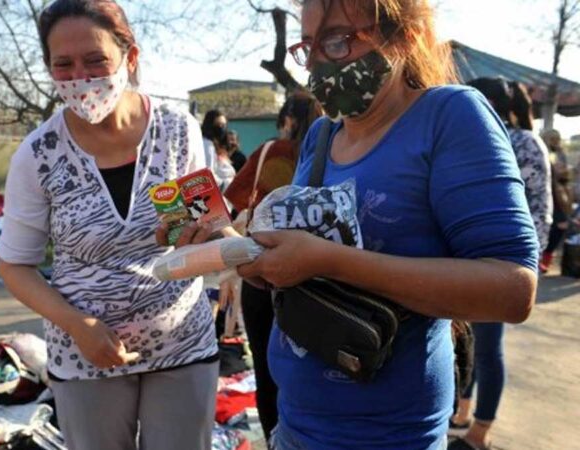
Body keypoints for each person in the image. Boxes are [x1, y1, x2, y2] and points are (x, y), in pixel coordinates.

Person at [169, 1, 539, 448]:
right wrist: (233, 248)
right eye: (308, 48)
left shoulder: (450, 116)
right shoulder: (323, 138)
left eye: (338, 40)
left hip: (390, 437)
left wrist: (333, 261)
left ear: (407, 35)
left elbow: (513, 290)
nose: (320, 64)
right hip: (294, 424)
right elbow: (304, 274)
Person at [0, 1, 219, 449]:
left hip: (181, 344)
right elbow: (15, 266)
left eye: (96, 59)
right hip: (84, 356)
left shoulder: (177, 132)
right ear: (50, 69)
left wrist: (230, 243)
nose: (81, 76)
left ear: (129, 58)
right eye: (64, 64)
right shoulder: (38, 156)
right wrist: (79, 325)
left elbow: (201, 226)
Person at [448, 77, 551, 450]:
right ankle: (463, 410)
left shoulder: (522, 142)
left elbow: (538, 212)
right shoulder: (476, 140)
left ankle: (480, 432)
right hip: (467, 263)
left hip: (500, 268)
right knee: (467, 344)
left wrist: (519, 269)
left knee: (488, 349)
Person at [222, 91, 319, 440]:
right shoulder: (336, 151)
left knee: (267, 372)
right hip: (321, 281)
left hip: (262, 276)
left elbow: (229, 206)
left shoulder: (271, 152)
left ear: (288, 120)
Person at [540, 128, 573, 272]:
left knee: (560, 226)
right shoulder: (543, 151)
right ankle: (543, 259)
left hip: (559, 192)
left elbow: (565, 175)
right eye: (552, 139)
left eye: (556, 138)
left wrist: (564, 172)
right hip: (547, 191)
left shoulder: (559, 153)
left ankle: (546, 259)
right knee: (553, 226)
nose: (555, 142)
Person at [201, 109, 237, 191]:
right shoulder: (207, 145)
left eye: (223, 125)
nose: (221, 128)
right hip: (219, 192)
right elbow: (208, 174)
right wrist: (226, 184)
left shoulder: (218, 146)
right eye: (218, 125)